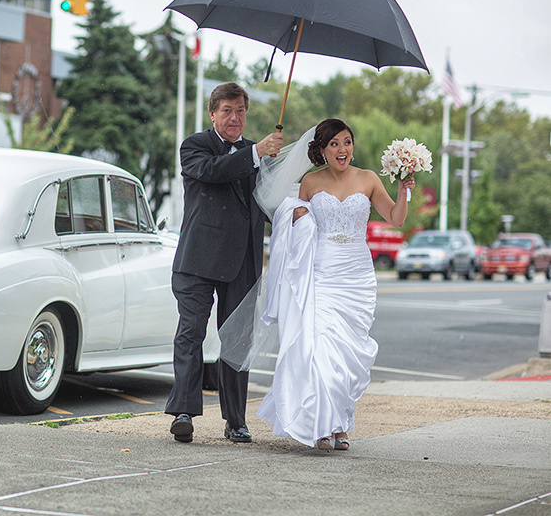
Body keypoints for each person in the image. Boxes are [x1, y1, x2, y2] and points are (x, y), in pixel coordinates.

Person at [255, 118, 415, 451]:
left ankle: (340, 424)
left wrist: (403, 190)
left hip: (357, 275)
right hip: (322, 272)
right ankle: (321, 427)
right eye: (334, 144)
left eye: (347, 142)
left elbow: (396, 219)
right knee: (321, 348)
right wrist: (297, 217)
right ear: (322, 151)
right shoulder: (310, 183)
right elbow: (293, 225)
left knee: (347, 352)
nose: (342, 150)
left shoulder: (369, 179)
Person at [166, 82, 284, 443]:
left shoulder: (258, 153)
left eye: (241, 111)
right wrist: (255, 154)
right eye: (227, 111)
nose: (235, 118)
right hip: (197, 260)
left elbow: (268, 204)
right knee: (191, 335)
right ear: (213, 114)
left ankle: (236, 420)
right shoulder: (195, 147)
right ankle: (183, 412)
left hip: (243, 262)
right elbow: (214, 171)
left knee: (237, 343)